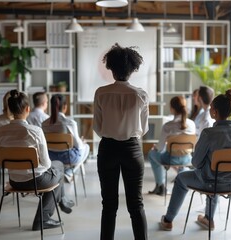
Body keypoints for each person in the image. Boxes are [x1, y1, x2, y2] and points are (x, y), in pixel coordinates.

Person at [159, 88, 231, 231]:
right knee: (215, 173)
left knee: (183, 178)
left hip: (213, 184)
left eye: (211, 108)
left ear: (215, 112)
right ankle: (208, 218)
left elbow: (195, 163)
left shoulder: (208, 133)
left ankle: (168, 220)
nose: (210, 109)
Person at [0, 89, 74, 231]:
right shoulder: (35, 131)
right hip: (36, 181)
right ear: (27, 109)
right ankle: (44, 217)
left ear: (10, 109)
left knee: (57, 169)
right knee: (58, 168)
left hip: (14, 180)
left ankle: (61, 200)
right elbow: (46, 163)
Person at [93, 43, 149, 240]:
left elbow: (97, 127)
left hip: (107, 149)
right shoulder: (140, 94)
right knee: (136, 204)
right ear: (132, 69)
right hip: (132, 150)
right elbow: (144, 129)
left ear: (111, 68)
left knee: (108, 205)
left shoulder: (101, 93)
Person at [148, 96, 196, 196]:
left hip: (170, 159)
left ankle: (161, 186)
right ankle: (182, 175)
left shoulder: (168, 126)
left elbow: (160, 148)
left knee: (152, 154)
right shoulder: (192, 124)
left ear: (172, 108)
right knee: (171, 151)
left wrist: (155, 147)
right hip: (187, 159)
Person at [42, 94, 90, 181]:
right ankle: (69, 172)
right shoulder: (69, 123)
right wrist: (82, 142)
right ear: (65, 107)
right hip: (68, 157)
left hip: (50, 157)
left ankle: (64, 171)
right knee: (86, 147)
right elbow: (78, 145)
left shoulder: (44, 123)